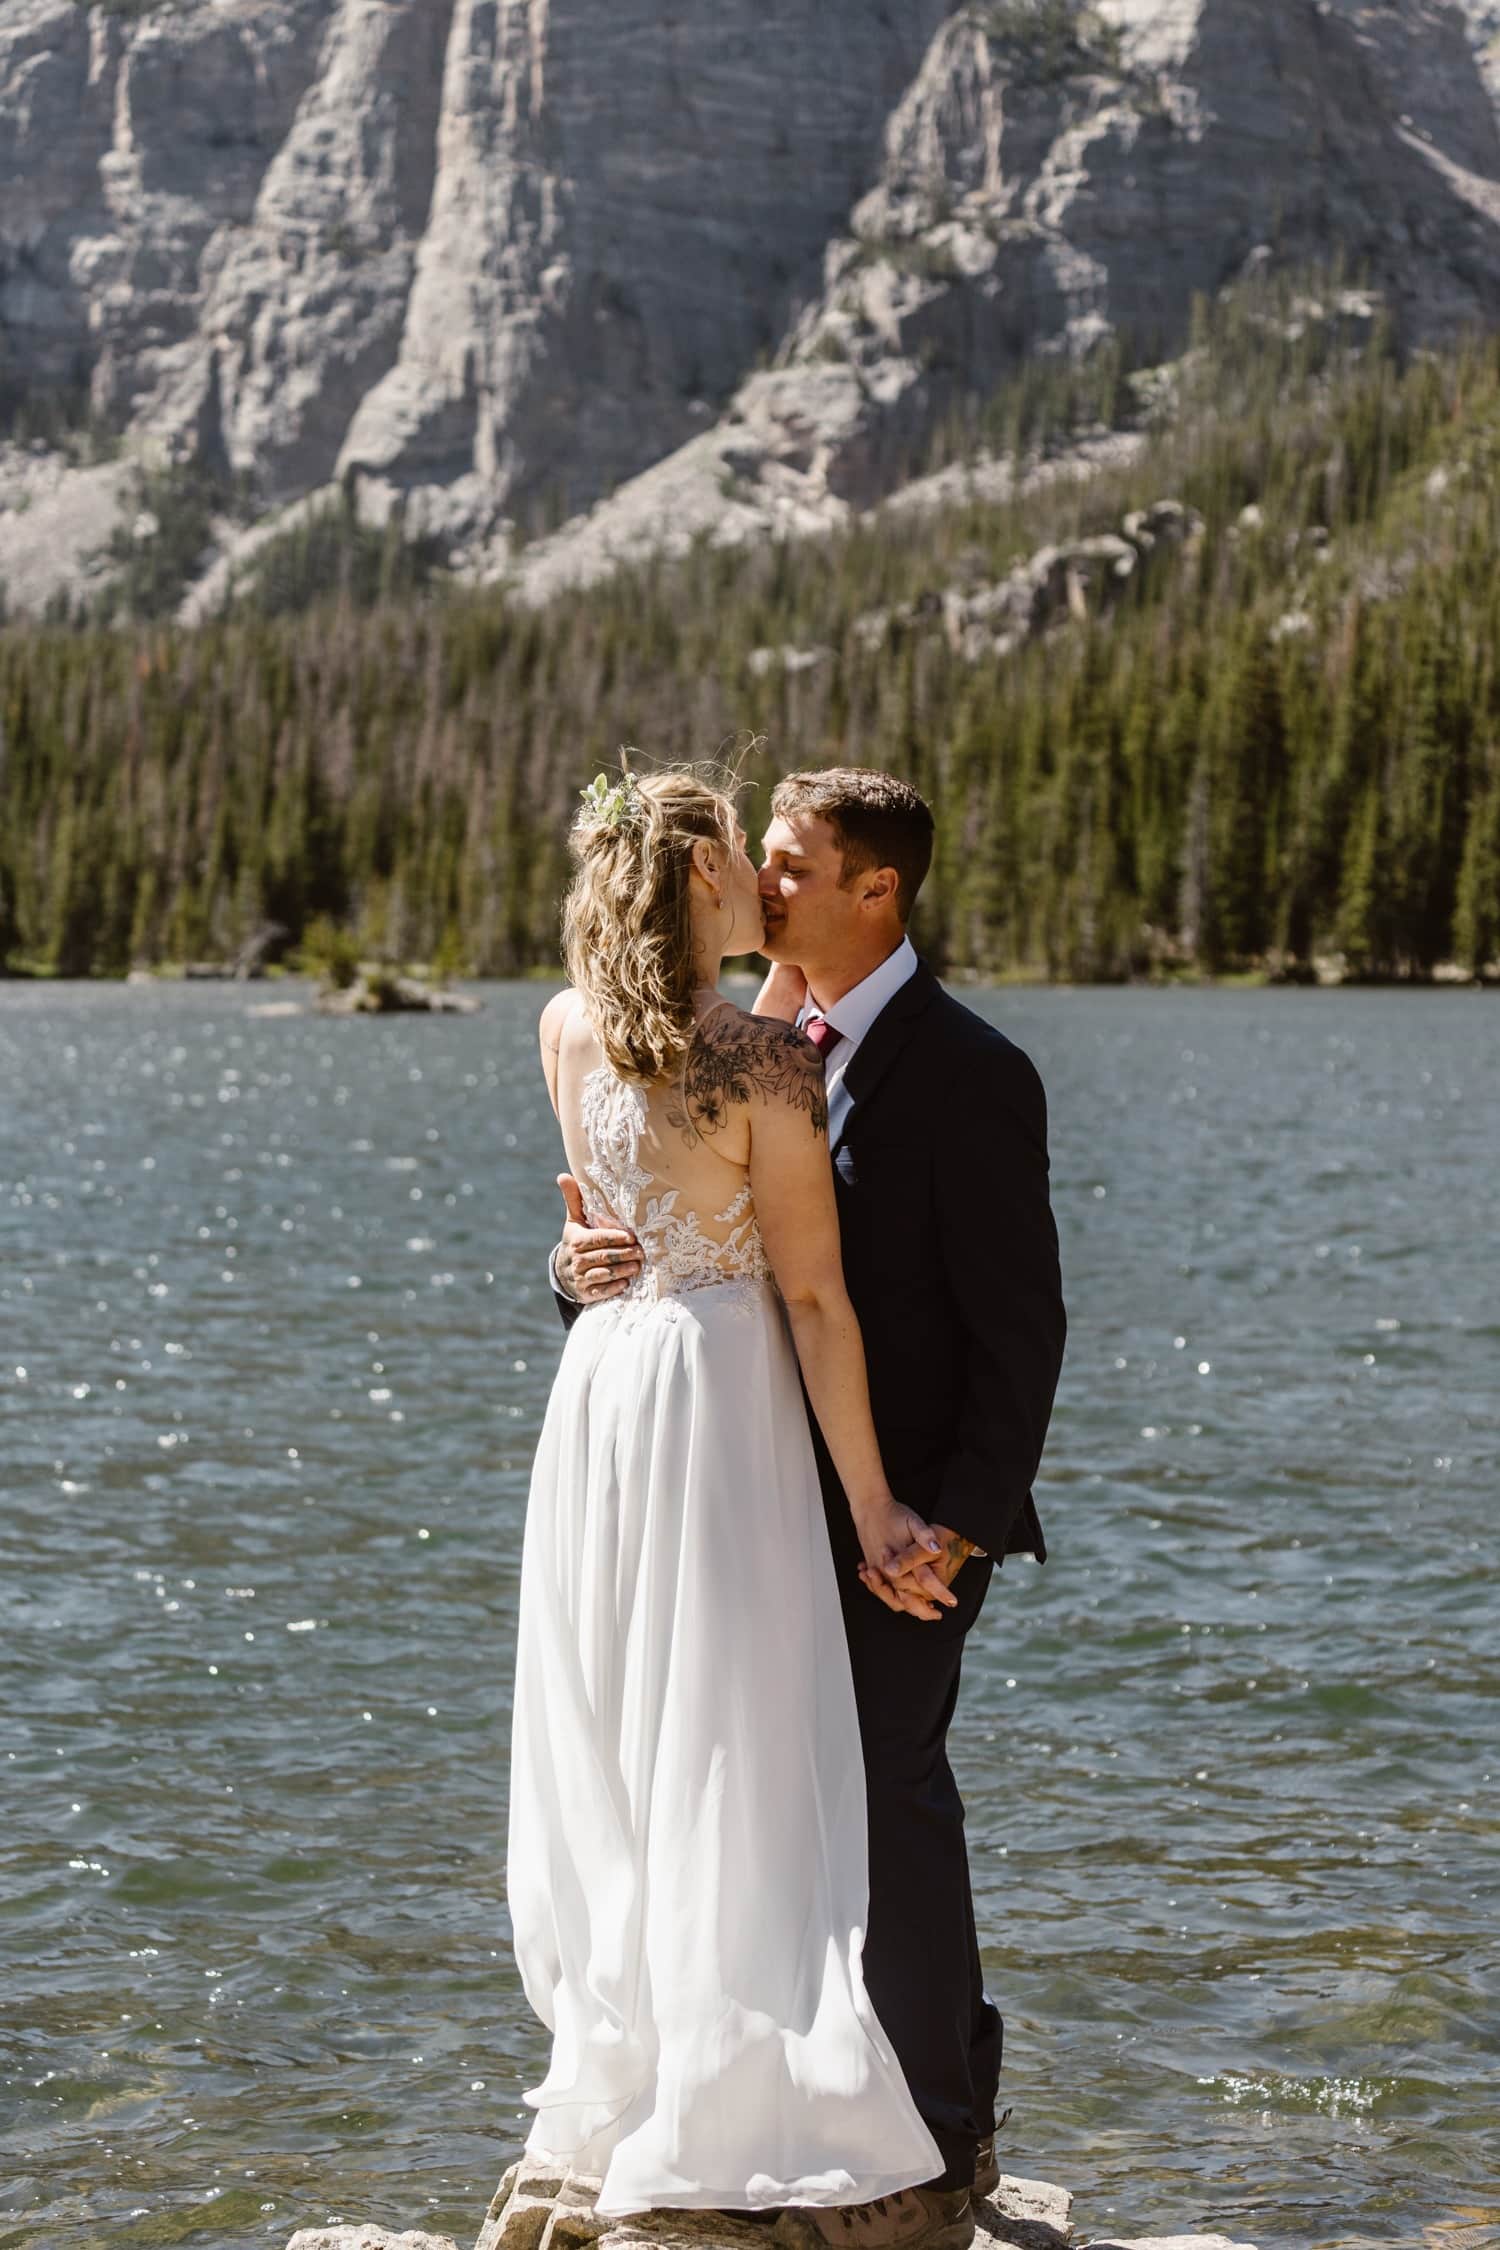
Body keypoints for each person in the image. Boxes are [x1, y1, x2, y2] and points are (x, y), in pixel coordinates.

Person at [556, 768, 1067, 2236]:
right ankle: (764, 2095)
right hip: (732, 1495)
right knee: (733, 1800)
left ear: (877, 892)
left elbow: (1021, 1331)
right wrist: (573, 1273)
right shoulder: (739, 1041)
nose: (764, 883)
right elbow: (651, 1237)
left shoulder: (974, 1072)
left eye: (791, 864)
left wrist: (951, 1523)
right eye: (757, 859)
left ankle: (941, 2136)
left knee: (889, 1799)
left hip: (896, 1522)